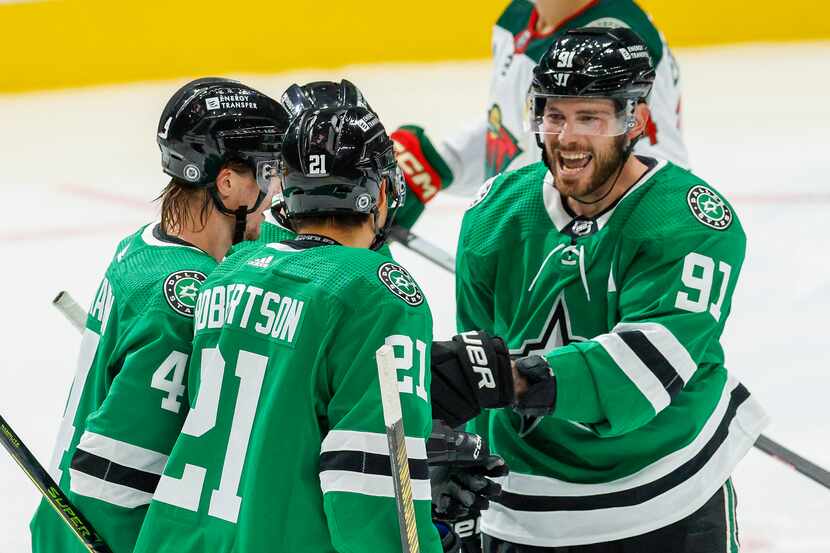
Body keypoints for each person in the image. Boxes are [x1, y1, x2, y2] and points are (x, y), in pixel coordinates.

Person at [456, 27, 768, 552]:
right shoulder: (494, 215)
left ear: (636, 122)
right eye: (554, 116)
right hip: (527, 500)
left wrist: (515, 381)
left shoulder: (690, 220)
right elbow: (476, 358)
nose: (567, 137)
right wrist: (458, 445)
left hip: (667, 489)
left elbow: (646, 366)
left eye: (589, 118)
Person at [29, 78, 289, 553]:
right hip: (106, 537)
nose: (273, 194)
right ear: (227, 183)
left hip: (67, 526)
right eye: (268, 173)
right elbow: (117, 481)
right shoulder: (179, 304)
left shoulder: (147, 245)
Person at [391, 0, 687, 229]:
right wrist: (435, 166)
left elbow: (660, 177)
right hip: (523, 233)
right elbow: (513, 130)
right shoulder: (517, 17)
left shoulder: (618, 42)